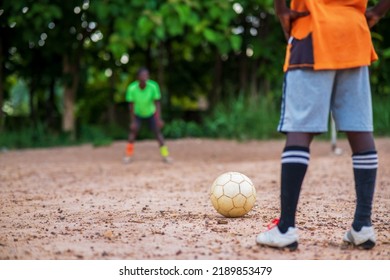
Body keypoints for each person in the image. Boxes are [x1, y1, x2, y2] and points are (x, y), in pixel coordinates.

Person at [256, 0, 390, 250]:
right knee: (360, 131)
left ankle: (286, 228)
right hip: (354, 35)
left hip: (313, 31)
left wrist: (281, 9)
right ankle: (363, 226)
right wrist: (378, 12)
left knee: (300, 130)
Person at [123, 67, 171, 163]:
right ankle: (128, 155)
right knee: (133, 133)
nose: (145, 77)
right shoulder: (132, 88)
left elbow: (157, 103)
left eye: (147, 75)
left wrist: (158, 119)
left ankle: (165, 155)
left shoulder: (153, 86)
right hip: (138, 113)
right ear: (138, 77)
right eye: (142, 75)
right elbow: (131, 106)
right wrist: (133, 122)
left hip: (151, 113)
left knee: (158, 134)